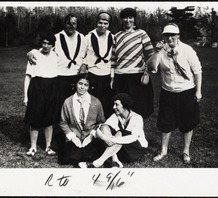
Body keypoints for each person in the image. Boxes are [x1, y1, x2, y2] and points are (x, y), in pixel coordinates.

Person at [146, 23, 202, 163]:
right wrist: (156, 52)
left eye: (172, 35)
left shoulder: (187, 50)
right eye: (166, 35)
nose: (169, 38)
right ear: (163, 37)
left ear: (178, 36)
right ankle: (163, 151)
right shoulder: (161, 51)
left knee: (188, 123)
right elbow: (152, 68)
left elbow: (197, 71)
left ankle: (186, 152)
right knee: (166, 122)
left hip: (186, 91)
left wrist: (198, 90)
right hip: (168, 92)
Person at [27, 13, 87, 122]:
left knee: (75, 103)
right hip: (61, 75)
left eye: (74, 23)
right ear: (64, 23)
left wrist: (84, 64)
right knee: (59, 104)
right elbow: (44, 49)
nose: (71, 26)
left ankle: (73, 129)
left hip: (77, 75)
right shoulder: (57, 37)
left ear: (77, 25)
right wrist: (31, 52)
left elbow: (87, 54)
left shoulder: (82, 37)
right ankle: (58, 131)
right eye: (69, 23)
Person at [78, 93, 148, 168]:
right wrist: (105, 138)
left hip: (134, 150)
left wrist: (113, 139)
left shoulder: (137, 118)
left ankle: (98, 162)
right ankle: (115, 160)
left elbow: (133, 138)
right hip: (118, 149)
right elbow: (100, 128)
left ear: (125, 105)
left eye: (117, 104)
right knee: (105, 126)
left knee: (122, 132)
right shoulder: (115, 116)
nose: (114, 107)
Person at [111, 7, 154, 119]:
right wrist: (112, 77)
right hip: (120, 77)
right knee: (121, 109)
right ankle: (124, 134)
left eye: (131, 17)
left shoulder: (141, 33)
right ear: (122, 19)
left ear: (134, 19)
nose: (128, 20)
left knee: (138, 109)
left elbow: (151, 55)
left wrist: (147, 73)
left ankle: (137, 134)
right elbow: (113, 58)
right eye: (125, 17)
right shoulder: (117, 36)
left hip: (136, 76)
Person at [58, 73, 105, 166]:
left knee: (92, 154)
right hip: (74, 137)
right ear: (76, 84)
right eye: (80, 83)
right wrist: (73, 137)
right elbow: (63, 123)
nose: (82, 87)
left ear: (89, 87)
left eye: (86, 85)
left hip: (90, 137)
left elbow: (101, 122)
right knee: (70, 157)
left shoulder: (96, 102)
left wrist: (91, 136)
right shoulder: (68, 102)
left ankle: (86, 159)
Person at [24, 33, 58, 156]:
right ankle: (33, 146)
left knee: (49, 119)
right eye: (44, 43)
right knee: (35, 119)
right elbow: (28, 76)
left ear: (53, 46)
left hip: (51, 87)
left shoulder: (56, 56)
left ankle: (48, 147)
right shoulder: (34, 55)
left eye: (49, 43)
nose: (46, 46)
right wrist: (25, 96)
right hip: (37, 87)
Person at [83, 12, 115, 119]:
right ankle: (90, 127)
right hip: (93, 74)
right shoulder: (88, 37)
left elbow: (114, 57)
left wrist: (112, 76)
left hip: (106, 75)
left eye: (105, 23)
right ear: (96, 23)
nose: (102, 26)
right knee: (91, 103)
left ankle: (104, 128)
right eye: (100, 22)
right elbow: (82, 54)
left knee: (106, 104)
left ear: (109, 24)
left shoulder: (112, 37)